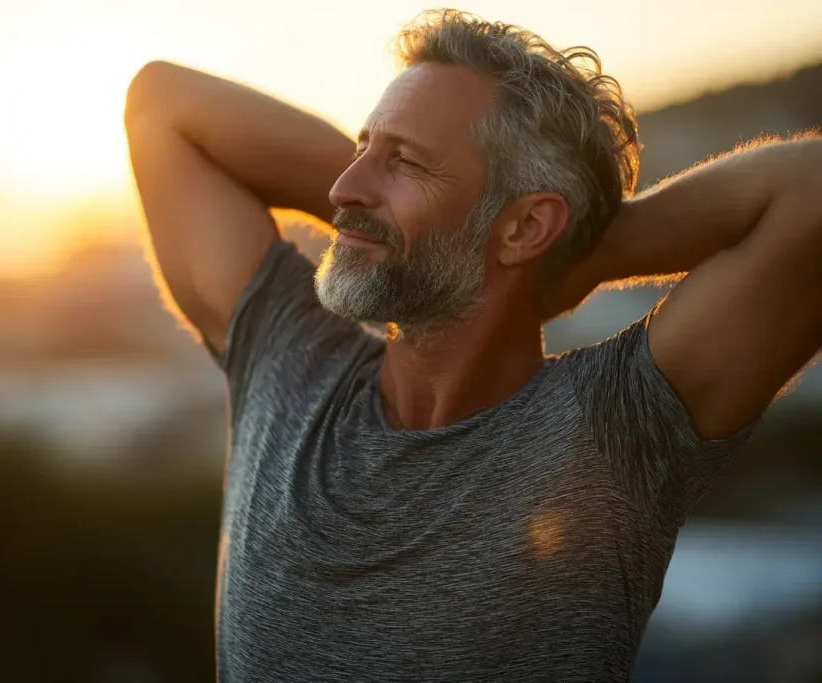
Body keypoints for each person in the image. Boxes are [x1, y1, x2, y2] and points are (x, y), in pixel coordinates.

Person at [123, 9, 821, 682]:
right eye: (363, 147)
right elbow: (160, 102)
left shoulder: (615, 432)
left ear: (525, 227)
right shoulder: (290, 361)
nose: (341, 185)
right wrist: (388, 210)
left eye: (402, 161)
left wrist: (583, 251)